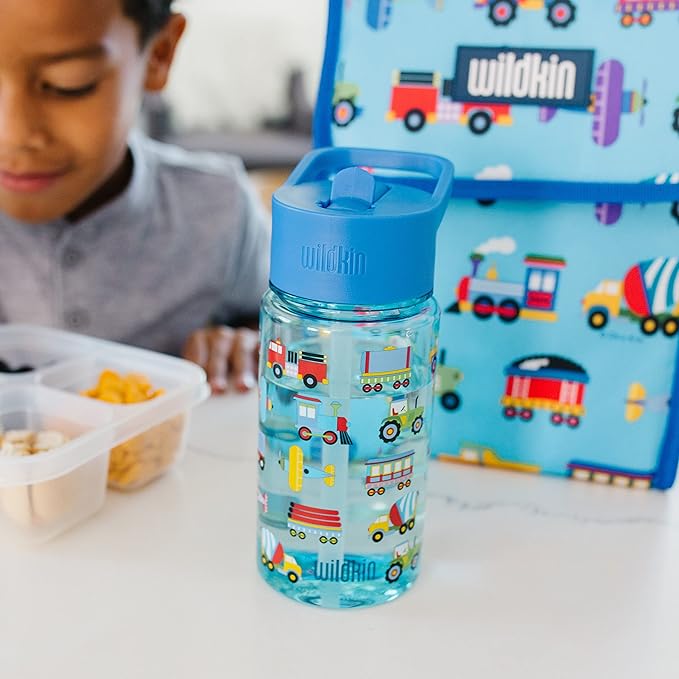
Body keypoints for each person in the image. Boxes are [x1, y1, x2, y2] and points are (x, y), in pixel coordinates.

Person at [0, 0, 270, 393]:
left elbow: (278, 328)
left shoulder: (219, 209)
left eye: (68, 83)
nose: (12, 135)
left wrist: (245, 344)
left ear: (159, 53)